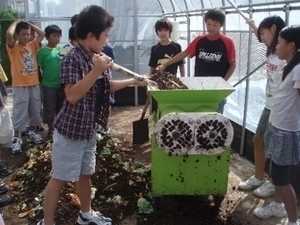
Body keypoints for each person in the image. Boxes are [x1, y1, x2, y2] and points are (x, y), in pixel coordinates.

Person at [37, 5, 149, 225]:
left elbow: (107, 86)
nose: (107, 41)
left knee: (85, 174)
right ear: (90, 36)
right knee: (59, 178)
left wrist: (133, 81)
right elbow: (71, 95)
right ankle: (47, 222)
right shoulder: (72, 59)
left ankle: (85, 215)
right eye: (105, 36)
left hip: (89, 129)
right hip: (70, 132)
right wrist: (96, 70)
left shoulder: (97, 56)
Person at [253, 25, 300, 225]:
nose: (276, 45)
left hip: (286, 132)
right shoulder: (290, 65)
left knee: (282, 178)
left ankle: (292, 220)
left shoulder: (298, 69)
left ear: (291, 45)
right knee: (277, 174)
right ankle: (277, 206)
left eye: (280, 42)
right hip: (277, 126)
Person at [238, 16, 286, 198]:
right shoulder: (273, 49)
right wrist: (252, 24)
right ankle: (258, 177)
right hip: (269, 104)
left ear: (273, 28)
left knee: (277, 147)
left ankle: (273, 183)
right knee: (259, 139)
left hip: (282, 108)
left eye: (264, 33)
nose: (262, 38)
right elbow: (260, 37)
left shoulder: (286, 52)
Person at [156, 8, 236, 113]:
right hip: (199, 86)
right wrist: (165, 65)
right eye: (208, 24)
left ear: (221, 25)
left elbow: (232, 64)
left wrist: (223, 82)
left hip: (217, 89)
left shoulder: (227, 42)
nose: (211, 28)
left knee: (215, 116)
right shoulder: (199, 40)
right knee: (198, 113)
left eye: (215, 25)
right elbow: (184, 53)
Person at [6, 20, 45, 154]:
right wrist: (16, 22)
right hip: (20, 85)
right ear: (17, 34)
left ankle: (32, 132)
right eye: (23, 34)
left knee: (35, 110)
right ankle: (16, 138)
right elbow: (8, 35)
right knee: (19, 112)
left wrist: (28, 23)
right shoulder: (13, 48)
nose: (26, 37)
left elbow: (42, 33)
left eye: (28, 34)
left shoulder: (32, 45)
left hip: (34, 84)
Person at [37, 25, 64, 138]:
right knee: (49, 107)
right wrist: (40, 82)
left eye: (58, 36)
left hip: (61, 84)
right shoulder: (42, 51)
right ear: (47, 37)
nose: (56, 38)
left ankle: (59, 128)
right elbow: (38, 68)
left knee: (61, 107)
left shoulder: (62, 50)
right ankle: (51, 129)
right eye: (54, 36)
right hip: (48, 85)